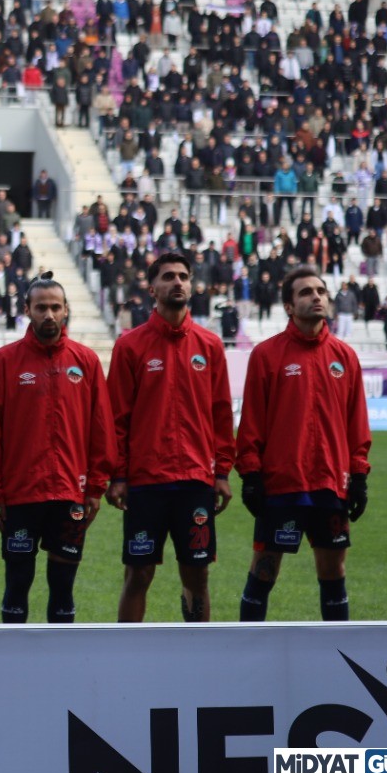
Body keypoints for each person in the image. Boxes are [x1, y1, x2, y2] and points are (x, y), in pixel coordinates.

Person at [236, 267, 371, 623]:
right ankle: (246, 653)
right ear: (288, 306)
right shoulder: (267, 355)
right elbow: (251, 422)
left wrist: (358, 476)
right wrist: (251, 475)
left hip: (330, 483)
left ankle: (337, 656)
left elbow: (357, 424)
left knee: (333, 571)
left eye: (322, 291)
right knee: (264, 571)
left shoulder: (345, 357)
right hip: (283, 485)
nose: (317, 297)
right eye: (306, 292)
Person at [105, 253, 234, 623]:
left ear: (192, 285)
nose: (177, 282)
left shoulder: (209, 346)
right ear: (152, 289)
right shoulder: (130, 346)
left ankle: (198, 654)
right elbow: (118, 417)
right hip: (146, 481)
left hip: (196, 480)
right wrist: (118, 475)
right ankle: (127, 655)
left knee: (197, 573)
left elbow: (222, 414)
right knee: (138, 574)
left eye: (183, 276)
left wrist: (222, 471)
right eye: (168, 277)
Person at [0, 278, 114, 623]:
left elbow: (101, 428)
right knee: (17, 584)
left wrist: (96, 487)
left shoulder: (84, 361)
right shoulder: (5, 361)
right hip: (19, 495)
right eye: (41, 307)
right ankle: (14, 664)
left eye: (56, 307)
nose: (49, 314)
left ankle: (60, 666)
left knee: (63, 586)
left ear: (66, 310)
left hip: (70, 492)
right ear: (27, 311)